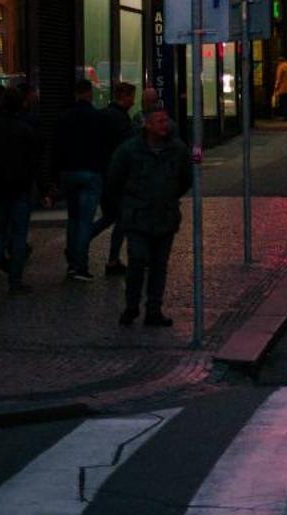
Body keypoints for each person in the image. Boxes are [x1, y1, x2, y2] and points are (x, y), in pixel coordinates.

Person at [107, 103, 193, 328]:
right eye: (160, 121)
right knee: (137, 260)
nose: (165, 125)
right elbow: (115, 179)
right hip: (137, 216)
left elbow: (185, 179)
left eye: (166, 121)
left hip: (165, 216)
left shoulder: (177, 149)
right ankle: (132, 306)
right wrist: (128, 204)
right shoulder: (129, 150)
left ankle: (154, 310)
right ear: (147, 125)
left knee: (159, 265)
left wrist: (169, 197)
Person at [0, 86, 45, 293]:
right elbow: (35, 161)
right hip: (20, 187)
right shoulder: (25, 129)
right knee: (19, 234)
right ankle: (15, 280)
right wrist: (44, 188)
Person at [51, 77, 115, 281]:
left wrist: (55, 175)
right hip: (91, 172)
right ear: (89, 93)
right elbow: (106, 147)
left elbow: (57, 148)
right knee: (86, 221)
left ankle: (72, 261)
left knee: (73, 218)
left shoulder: (63, 118)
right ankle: (80, 265)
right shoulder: (99, 118)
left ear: (75, 94)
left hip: (69, 172)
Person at [100, 83, 146, 276]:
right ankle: (108, 257)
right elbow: (125, 145)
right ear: (123, 97)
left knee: (114, 217)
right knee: (120, 218)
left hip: (109, 173)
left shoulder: (109, 115)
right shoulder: (119, 118)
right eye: (131, 97)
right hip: (116, 176)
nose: (133, 101)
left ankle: (111, 258)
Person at [273, 55, 287, 120]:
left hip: (282, 87)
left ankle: (285, 116)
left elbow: (279, 78)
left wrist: (276, 86)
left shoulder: (280, 67)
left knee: (283, 102)